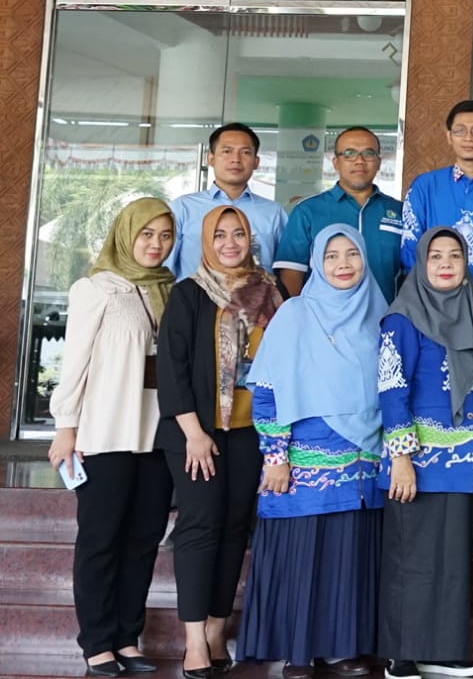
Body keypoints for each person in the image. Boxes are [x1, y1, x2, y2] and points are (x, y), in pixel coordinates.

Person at [239, 225, 386, 678]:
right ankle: (297, 651)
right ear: (317, 264)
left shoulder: (380, 314)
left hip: (363, 464)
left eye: (352, 254)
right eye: (331, 256)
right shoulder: (295, 314)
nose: (343, 264)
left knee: (346, 559)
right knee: (301, 557)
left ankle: (341, 648)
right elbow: (266, 390)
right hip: (303, 463)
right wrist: (276, 456)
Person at [49, 197, 176, 677]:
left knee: (144, 539)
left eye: (165, 235)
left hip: (156, 436)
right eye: (146, 234)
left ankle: (127, 637)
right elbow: (75, 362)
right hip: (106, 433)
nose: (156, 244)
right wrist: (66, 426)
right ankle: (97, 642)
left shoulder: (170, 289)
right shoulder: (96, 288)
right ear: (126, 234)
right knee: (101, 540)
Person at [156, 205, 284, 679]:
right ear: (206, 241)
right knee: (200, 526)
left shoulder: (270, 291)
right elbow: (172, 368)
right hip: (197, 432)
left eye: (239, 234)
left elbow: (283, 359)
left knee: (234, 528)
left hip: (251, 431)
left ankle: (215, 628)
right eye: (220, 235)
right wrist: (193, 433)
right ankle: (193, 640)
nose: (230, 243)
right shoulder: (189, 292)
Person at [377, 227, 473, 679]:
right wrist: (401, 458)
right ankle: (401, 654)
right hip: (417, 462)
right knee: (411, 558)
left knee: (453, 559)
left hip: (463, 459)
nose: (445, 264)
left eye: (455, 256)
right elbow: (391, 388)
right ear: (421, 264)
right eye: (435, 256)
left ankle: (443, 650)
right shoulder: (402, 318)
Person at [399, 100, 473, 307]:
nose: (469, 138)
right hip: (431, 303)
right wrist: (431, 291)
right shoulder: (425, 185)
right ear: (449, 136)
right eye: (460, 130)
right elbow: (410, 243)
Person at [276, 126, 404, 299]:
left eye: (369, 153)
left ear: (379, 162)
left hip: (386, 314)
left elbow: (411, 272)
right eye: (349, 153)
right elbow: (292, 272)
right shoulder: (307, 211)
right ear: (336, 162)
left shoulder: (400, 211)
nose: (359, 161)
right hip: (322, 315)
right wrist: (297, 313)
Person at [169, 122, 287, 279]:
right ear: (211, 159)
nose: (236, 159)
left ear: (256, 162)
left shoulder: (274, 213)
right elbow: (165, 269)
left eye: (245, 152)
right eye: (227, 151)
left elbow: (285, 271)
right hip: (194, 294)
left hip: (256, 294)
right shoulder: (183, 208)